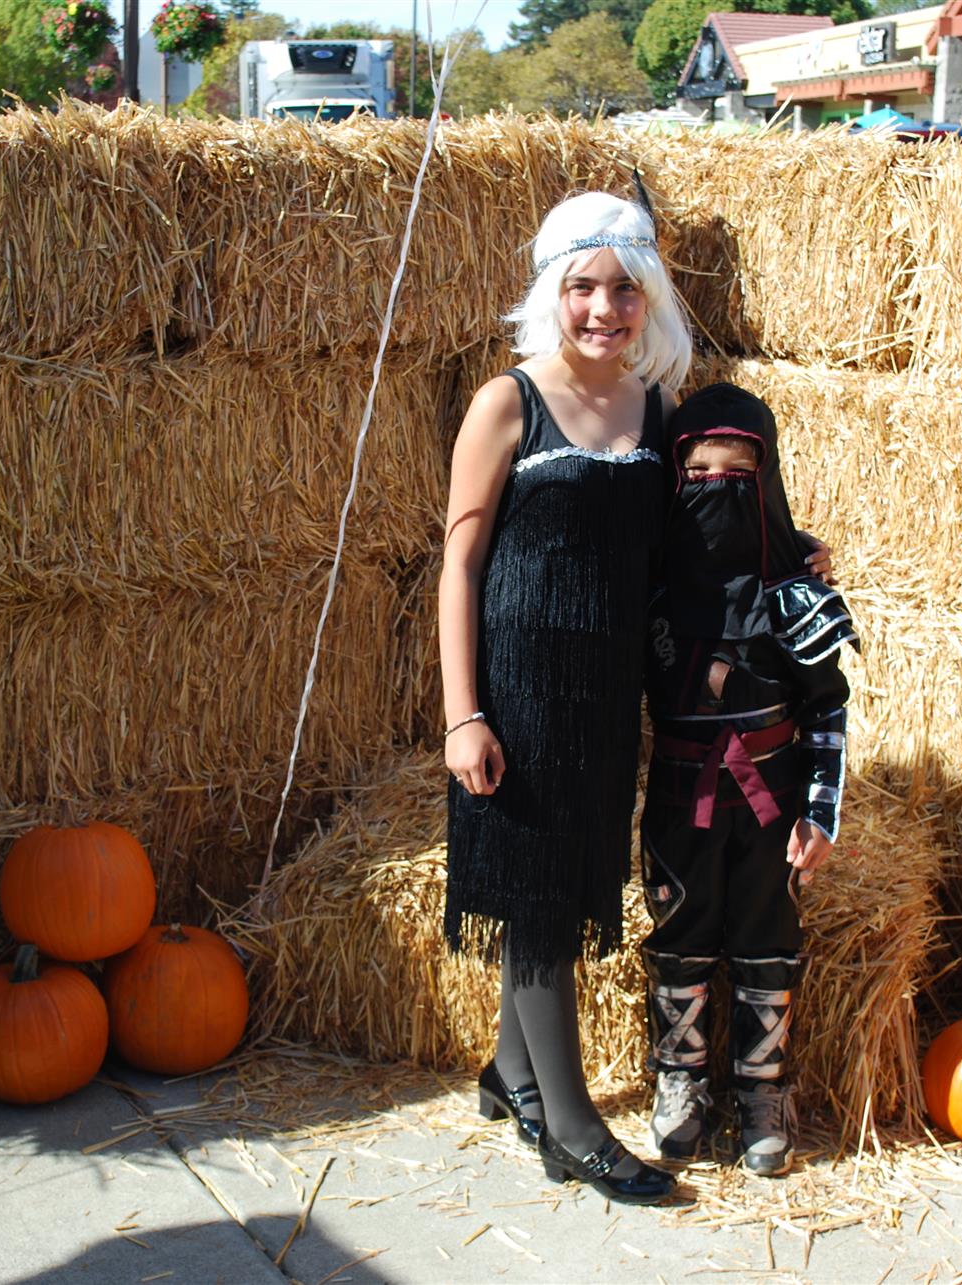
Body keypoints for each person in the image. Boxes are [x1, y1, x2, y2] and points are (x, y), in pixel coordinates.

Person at [439, 190, 691, 1204]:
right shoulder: (511, 401)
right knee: (538, 904)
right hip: (519, 691)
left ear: (650, 302)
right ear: (552, 292)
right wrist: (465, 713)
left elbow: (676, 553)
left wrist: (788, 550)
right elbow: (457, 564)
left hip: (604, 695)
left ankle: (509, 1072)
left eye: (624, 290)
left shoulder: (658, 410)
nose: (603, 308)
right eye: (583, 287)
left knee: (572, 885)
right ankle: (573, 1128)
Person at [638, 383, 857, 1177]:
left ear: (761, 482)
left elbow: (827, 708)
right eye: (697, 479)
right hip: (678, 798)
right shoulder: (649, 584)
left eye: (735, 479)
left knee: (769, 939)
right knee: (680, 934)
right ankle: (680, 1081)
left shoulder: (796, 592)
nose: (716, 494)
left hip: (770, 801)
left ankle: (762, 1090)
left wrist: (820, 815)